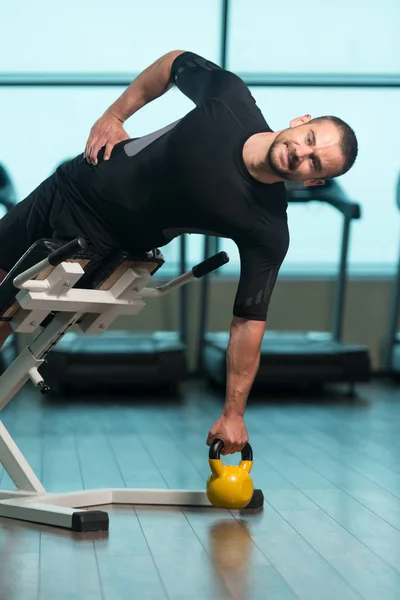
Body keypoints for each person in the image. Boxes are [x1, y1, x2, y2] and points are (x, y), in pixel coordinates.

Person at [0, 50, 358, 455]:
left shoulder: (268, 227)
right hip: (70, 183)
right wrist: (115, 116)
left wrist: (233, 413)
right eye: (309, 140)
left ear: (313, 183)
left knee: (5, 312)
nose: (301, 154)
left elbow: (248, 324)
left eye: (314, 164)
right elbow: (172, 63)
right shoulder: (229, 98)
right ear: (301, 122)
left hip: (99, 244)